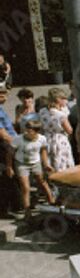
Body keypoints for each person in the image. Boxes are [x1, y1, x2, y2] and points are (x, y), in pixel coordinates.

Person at [6, 120, 55, 221]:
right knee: (25, 187)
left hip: (35, 162)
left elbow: (43, 151)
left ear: (36, 132)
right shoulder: (18, 139)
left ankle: (52, 201)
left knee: (42, 182)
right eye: (26, 129)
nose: (27, 132)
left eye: (30, 131)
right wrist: (9, 167)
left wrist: (46, 164)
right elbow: (10, 153)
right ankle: (27, 211)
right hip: (21, 164)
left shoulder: (42, 139)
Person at [41, 88, 75, 172]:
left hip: (47, 138)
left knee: (50, 162)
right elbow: (69, 130)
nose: (66, 101)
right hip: (59, 140)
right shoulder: (60, 115)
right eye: (64, 98)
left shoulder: (42, 111)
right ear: (58, 99)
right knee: (61, 163)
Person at [0, 83, 20, 218]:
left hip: (10, 145)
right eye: (2, 94)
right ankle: (4, 209)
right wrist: (18, 143)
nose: (5, 97)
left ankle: (14, 205)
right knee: (6, 177)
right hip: (5, 147)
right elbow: (2, 134)